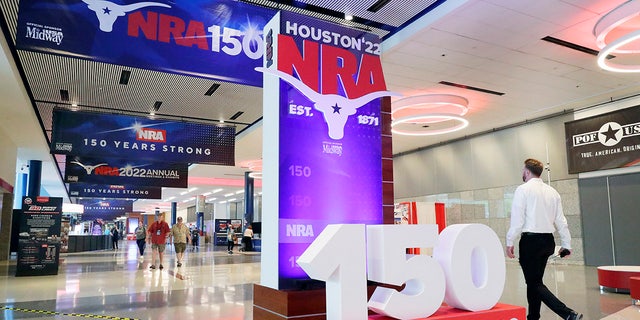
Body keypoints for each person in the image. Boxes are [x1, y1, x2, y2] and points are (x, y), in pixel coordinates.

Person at [506, 159, 582, 320]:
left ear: (527, 172)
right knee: (534, 281)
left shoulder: (523, 190)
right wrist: (567, 244)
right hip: (548, 242)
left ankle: (568, 314)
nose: (522, 173)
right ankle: (533, 317)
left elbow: (517, 221)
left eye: (523, 170)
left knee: (534, 283)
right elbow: (561, 221)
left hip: (530, 242)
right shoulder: (553, 192)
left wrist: (509, 241)